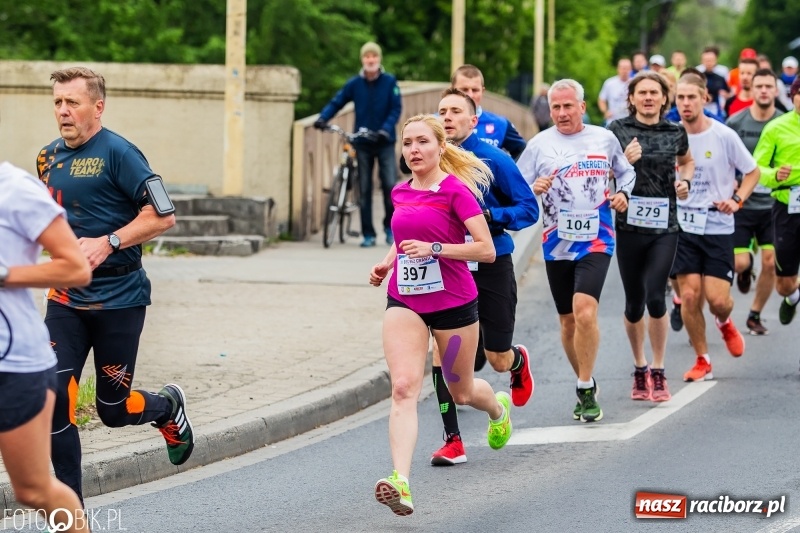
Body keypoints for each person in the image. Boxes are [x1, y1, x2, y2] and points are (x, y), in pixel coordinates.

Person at [38, 67, 194, 505]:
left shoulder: (121, 153)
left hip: (120, 299)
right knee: (53, 399)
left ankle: (167, 407)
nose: (63, 111)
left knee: (112, 409)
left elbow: (163, 215)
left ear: (98, 107)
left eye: (73, 102)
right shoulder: (46, 158)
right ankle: (70, 516)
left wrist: (108, 242)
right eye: (58, 102)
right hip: (66, 298)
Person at [369, 114, 512, 516]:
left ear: (441, 147)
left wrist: (435, 250)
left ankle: (497, 409)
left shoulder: (456, 192)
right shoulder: (400, 191)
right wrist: (387, 263)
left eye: (422, 142)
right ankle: (401, 482)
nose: (414, 150)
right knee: (403, 387)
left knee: (460, 392)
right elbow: (404, 238)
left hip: (453, 306)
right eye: (407, 143)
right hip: (406, 301)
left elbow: (486, 250)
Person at [429, 89, 539, 466]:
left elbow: (528, 208)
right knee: (442, 353)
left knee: (496, 359)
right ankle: (452, 441)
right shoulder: (431, 160)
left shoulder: (494, 159)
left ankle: (517, 362)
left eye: (455, 111)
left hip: (491, 263)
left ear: (473, 120)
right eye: (441, 111)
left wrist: (492, 218)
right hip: (448, 266)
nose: (447, 117)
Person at [518, 79, 636, 422]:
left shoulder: (604, 138)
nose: (562, 113)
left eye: (568, 106)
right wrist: (533, 188)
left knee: (584, 311)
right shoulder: (539, 145)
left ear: (582, 107)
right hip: (557, 243)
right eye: (555, 107)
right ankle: (585, 379)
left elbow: (626, 173)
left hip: (597, 238)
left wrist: (623, 194)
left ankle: (584, 387)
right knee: (568, 322)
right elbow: (516, 188)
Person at [0, 160, 91, 532]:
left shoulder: (15, 189)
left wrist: (5, 275)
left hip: (14, 365)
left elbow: (76, 267)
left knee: (33, 489)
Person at [608, 72, 695, 402]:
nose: (647, 97)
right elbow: (601, 171)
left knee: (656, 297)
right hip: (629, 226)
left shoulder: (675, 131)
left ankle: (658, 369)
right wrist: (622, 163)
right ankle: (639, 366)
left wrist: (685, 182)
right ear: (631, 98)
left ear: (663, 98)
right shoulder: (617, 130)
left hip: (665, 226)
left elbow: (686, 161)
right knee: (634, 304)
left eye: (653, 93)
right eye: (641, 92)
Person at [671, 72, 761, 382]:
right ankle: (702, 360)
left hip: (718, 225)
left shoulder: (723, 135)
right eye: (680, 98)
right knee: (690, 296)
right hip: (684, 226)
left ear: (704, 99)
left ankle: (724, 322)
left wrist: (737, 199)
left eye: (691, 97)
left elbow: (752, 172)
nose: (685, 103)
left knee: (718, 300)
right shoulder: (671, 136)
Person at [314, 42, 402, 247]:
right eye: (367, 56)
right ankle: (368, 234)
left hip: (384, 141)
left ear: (379, 59)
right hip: (362, 142)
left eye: (374, 56)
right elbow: (337, 102)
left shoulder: (389, 82)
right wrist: (323, 118)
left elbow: (396, 109)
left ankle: (389, 228)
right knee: (364, 189)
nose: (370, 60)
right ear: (362, 59)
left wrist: (385, 129)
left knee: (389, 185)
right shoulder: (354, 84)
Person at [726, 68, 783, 335]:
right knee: (740, 263)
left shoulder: (785, 122)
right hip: (742, 204)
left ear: (776, 90)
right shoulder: (736, 122)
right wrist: (731, 181)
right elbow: (722, 157)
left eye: (768, 86)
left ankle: (755, 314)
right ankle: (744, 271)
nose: (763, 91)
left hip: (773, 204)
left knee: (770, 262)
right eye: (759, 86)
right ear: (751, 89)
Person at [752, 77, 800, 326]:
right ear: (793, 96)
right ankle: (792, 296)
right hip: (787, 207)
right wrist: (775, 175)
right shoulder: (776, 127)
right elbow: (757, 167)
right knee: (784, 284)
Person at [451, 64, 527, 160]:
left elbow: (524, 151)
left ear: (482, 91)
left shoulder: (501, 124)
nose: (470, 95)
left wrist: (505, 168)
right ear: (452, 90)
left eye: (475, 90)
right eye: (464, 89)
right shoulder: (437, 123)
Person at [599, 58, 633, 124]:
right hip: (612, 121)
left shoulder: (634, 83)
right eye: (623, 68)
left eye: (627, 68)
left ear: (631, 69)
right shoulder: (609, 83)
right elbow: (601, 99)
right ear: (618, 69)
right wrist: (605, 111)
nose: (625, 71)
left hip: (630, 120)